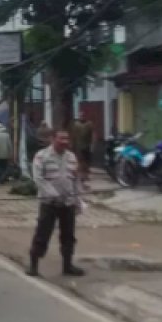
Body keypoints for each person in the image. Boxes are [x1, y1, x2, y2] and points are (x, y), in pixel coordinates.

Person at [26, 129, 85, 278]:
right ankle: (33, 266)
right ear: (53, 139)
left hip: (68, 203)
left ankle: (68, 266)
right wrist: (54, 194)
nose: (65, 142)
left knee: (68, 236)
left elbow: (75, 179)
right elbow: (38, 179)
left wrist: (78, 200)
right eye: (61, 138)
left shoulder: (71, 157)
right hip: (49, 203)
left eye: (67, 139)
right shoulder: (41, 156)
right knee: (42, 234)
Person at [69, 111, 95, 186]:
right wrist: (72, 144)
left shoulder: (89, 124)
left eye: (83, 116)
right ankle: (81, 175)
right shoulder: (76, 124)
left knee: (87, 161)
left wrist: (92, 144)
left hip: (87, 145)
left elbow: (92, 134)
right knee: (80, 160)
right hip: (78, 146)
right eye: (81, 116)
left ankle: (86, 174)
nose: (82, 117)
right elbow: (73, 135)